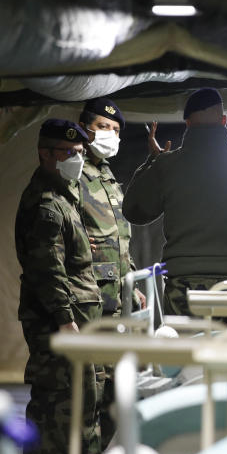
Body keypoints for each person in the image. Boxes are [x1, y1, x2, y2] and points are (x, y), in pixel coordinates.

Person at [122, 87, 227, 326]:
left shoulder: (167, 166)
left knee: (186, 360)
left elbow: (134, 211)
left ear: (187, 124)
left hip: (183, 288)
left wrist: (152, 162)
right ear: (224, 121)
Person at [14, 119, 105, 454]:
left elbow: (63, 253)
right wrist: (65, 318)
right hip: (60, 321)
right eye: (68, 153)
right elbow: (47, 270)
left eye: (80, 153)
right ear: (45, 153)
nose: (76, 160)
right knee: (57, 401)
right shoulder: (47, 204)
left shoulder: (64, 195)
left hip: (77, 318)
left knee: (82, 399)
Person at [76, 97, 145, 316]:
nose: (111, 134)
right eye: (103, 127)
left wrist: (130, 285)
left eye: (115, 130)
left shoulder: (106, 174)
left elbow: (119, 238)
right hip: (87, 297)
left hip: (115, 296)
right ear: (83, 128)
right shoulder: (72, 172)